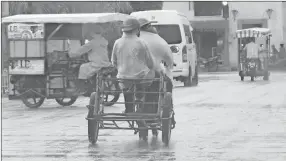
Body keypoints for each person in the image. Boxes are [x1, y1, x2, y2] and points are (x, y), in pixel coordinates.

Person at [111, 18, 155, 113]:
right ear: (137, 30)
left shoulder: (117, 43)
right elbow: (151, 63)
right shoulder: (141, 42)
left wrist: (121, 68)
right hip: (139, 77)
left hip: (123, 78)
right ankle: (141, 102)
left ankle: (129, 109)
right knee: (149, 77)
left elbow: (113, 62)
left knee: (126, 85)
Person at [68, 25, 112, 93]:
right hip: (105, 63)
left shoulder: (92, 43)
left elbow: (80, 51)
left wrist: (71, 54)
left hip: (96, 64)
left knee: (82, 67)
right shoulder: (104, 41)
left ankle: (81, 88)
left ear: (92, 33)